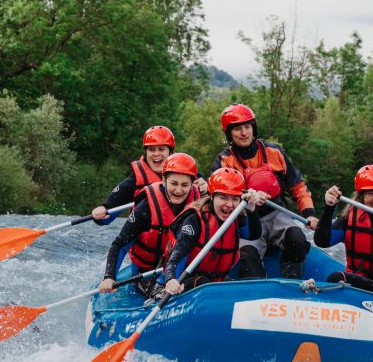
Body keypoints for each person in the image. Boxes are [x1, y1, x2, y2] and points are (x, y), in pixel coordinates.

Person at [212, 103, 316, 279]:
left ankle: (291, 285)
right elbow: (220, 197)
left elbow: (297, 186)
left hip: (277, 214)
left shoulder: (274, 152)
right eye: (237, 129)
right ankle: (258, 291)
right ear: (229, 133)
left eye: (247, 127)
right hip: (246, 222)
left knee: (297, 238)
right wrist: (247, 196)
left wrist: (310, 213)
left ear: (253, 129)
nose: (244, 133)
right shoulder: (224, 161)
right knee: (247, 257)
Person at [99, 153, 201, 297]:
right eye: (173, 183)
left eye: (185, 185)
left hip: (180, 268)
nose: (178, 190)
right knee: (165, 294)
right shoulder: (146, 208)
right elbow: (120, 244)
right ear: (164, 180)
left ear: (193, 184)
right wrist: (109, 276)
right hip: (148, 272)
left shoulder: (201, 203)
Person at [159, 167, 268, 296]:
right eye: (223, 198)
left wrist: (251, 210)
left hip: (216, 280)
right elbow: (176, 257)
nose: (229, 205)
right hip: (187, 281)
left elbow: (253, 235)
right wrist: (171, 280)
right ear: (212, 196)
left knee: (249, 253)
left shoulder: (236, 216)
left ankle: (259, 296)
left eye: (234, 199)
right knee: (204, 284)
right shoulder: (195, 220)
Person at [313, 164, 373, 294]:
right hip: (361, 281)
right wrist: (329, 207)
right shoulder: (351, 215)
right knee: (336, 278)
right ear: (361, 195)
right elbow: (322, 241)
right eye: (371, 194)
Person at [92, 126, 204, 222]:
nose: (156, 154)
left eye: (161, 149)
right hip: (147, 236)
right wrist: (103, 209)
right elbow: (111, 206)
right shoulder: (135, 180)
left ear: (170, 152)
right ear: (146, 153)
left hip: (180, 239)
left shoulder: (187, 172)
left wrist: (206, 187)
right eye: (151, 150)